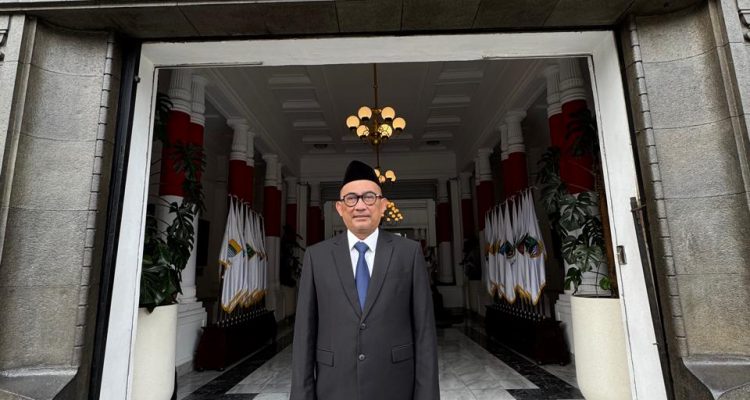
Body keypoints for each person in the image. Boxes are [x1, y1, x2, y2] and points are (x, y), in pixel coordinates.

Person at [291, 160, 439, 400]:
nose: (360, 206)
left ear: (383, 205)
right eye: (351, 198)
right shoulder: (316, 257)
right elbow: (303, 336)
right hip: (335, 388)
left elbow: (424, 334)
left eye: (369, 197)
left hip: (395, 387)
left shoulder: (408, 253)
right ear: (340, 208)